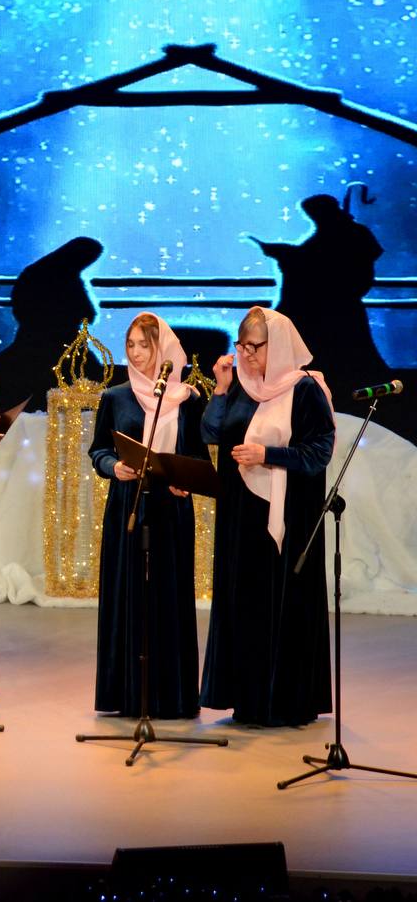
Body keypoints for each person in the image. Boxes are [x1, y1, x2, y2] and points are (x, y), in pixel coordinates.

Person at [200, 307, 335, 727]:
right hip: (241, 517)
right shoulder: (241, 387)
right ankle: (246, 699)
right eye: (241, 346)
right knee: (243, 606)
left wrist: (267, 454)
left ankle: (285, 702)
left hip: (288, 521)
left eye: (254, 347)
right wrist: (221, 390)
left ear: (276, 347)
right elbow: (210, 433)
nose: (246, 355)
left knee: (281, 606)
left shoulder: (306, 389)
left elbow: (319, 453)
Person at [88, 313, 206, 719]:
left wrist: (185, 480)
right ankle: (126, 693)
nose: (136, 353)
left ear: (164, 349)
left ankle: (171, 695)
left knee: (168, 594)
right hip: (129, 504)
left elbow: (197, 455)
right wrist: (113, 467)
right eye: (131, 345)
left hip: (172, 507)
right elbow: (98, 451)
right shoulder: (115, 397)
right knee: (129, 593)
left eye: (145, 345)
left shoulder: (188, 399)